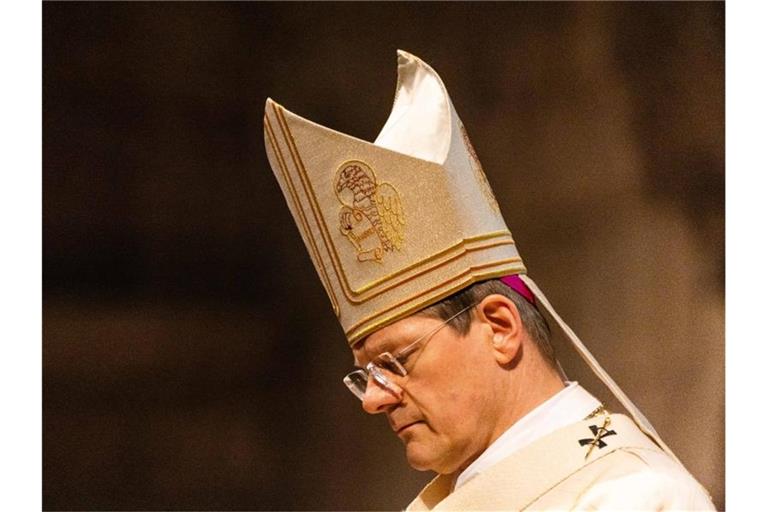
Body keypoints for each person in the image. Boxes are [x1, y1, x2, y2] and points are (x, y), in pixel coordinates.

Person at [263, 50, 715, 510]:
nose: (373, 400)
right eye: (367, 374)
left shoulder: (632, 497)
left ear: (500, 327)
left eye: (394, 362)